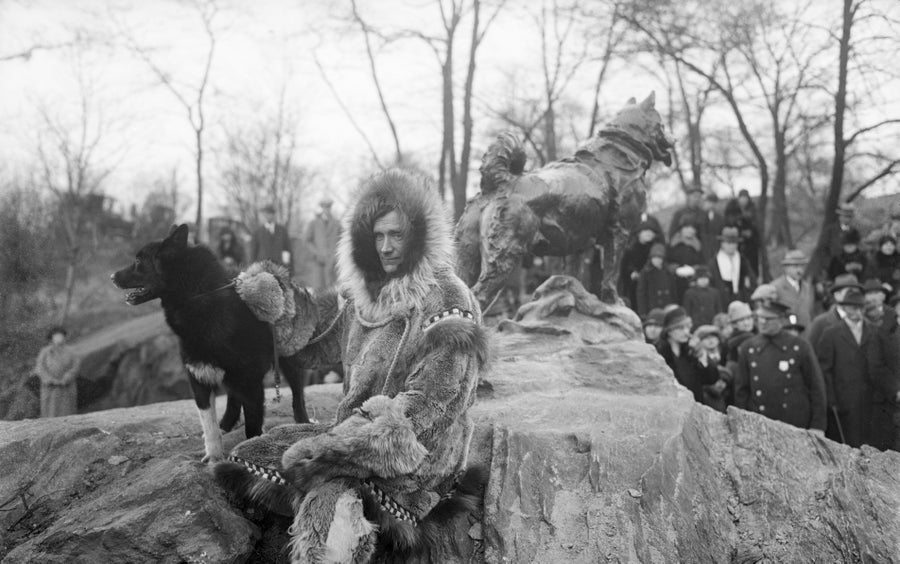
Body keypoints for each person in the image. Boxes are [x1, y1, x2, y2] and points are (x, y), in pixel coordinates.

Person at [215, 169, 489, 559]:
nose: (386, 247)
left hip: (416, 460)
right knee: (251, 455)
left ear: (419, 234)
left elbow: (433, 407)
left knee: (327, 506)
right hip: (351, 436)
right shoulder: (361, 295)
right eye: (378, 236)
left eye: (396, 234)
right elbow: (309, 344)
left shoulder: (447, 298)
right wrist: (273, 303)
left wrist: (337, 452)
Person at [733, 300, 826, 432]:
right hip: (760, 424)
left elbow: (816, 387)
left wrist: (818, 426)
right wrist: (742, 424)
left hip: (795, 423)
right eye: (760, 318)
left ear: (781, 320)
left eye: (768, 319)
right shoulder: (748, 348)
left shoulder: (799, 346)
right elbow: (741, 391)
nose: (763, 322)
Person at [815, 287, 888, 447]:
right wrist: (831, 399)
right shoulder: (831, 334)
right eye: (852, 306)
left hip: (871, 400)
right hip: (843, 401)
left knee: (871, 444)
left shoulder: (875, 332)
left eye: (860, 307)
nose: (856, 311)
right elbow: (824, 370)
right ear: (844, 308)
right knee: (847, 443)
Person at [656, 306, 720, 403]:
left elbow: (711, 379)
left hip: (696, 407)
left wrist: (702, 354)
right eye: (680, 328)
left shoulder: (691, 351)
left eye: (687, 327)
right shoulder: (659, 355)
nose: (686, 332)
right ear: (669, 331)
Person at [34, 326, 80, 418]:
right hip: (50, 389)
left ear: (64, 337)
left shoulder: (71, 351)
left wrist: (66, 378)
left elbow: (75, 366)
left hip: (66, 387)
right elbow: (39, 368)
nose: (59, 338)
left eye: (61, 336)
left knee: (67, 413)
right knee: (50, 413)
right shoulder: (45, 352)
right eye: (56, 336)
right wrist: (50, 380)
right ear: (51, 338)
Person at [707, 225, 756, 306]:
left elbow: (752, 280)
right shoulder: (714, 263)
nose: (731, 246)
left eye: (734, 243)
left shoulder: (743, 260)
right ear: (722, 243)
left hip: (741, 300)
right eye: (728, 243)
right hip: (722, 302)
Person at [618, 221, 659, 309]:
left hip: (652, 286)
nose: (649, 233)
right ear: (639, 233)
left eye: (651, 231)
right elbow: (624, 270)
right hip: (634, 288)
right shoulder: (630, 250)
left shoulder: (656, 249)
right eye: (646, 230)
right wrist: (632, 273)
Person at [771, 249, 815, 327]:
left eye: (802, 266)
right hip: (786, 334)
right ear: (785, 268)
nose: (799, 270)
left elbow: (810, 312)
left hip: (806, 334)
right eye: (795, 266)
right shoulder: (775, 287)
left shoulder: (807, 287)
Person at [305, 197, 341, 289]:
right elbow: (307, 240)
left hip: (332, 262)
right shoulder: (314, 223)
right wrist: (316, 252)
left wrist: (335, 255)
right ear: (322, 208)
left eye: (329, 207)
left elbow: (341, 241)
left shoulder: (337, 223)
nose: (327, 209)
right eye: (325, 207)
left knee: (332, 288)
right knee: (318, 287)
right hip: (318, 261)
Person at [724, 189, 761, 275]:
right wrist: (740, 232)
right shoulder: (732, 209)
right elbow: (729, 223)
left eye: (746, 198)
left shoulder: (752, 209)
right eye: (742, 197)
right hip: (736, 242)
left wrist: (751, 233)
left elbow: (755, 226)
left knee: (752, 265)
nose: (744, 200)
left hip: (751, 244)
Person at [667, 223, 705, 303]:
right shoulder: (672, 244)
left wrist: (693, 269)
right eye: (687, 227)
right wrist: (676, 269)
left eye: (693, 228)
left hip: (694, 283)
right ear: (681, 229)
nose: (690, 230)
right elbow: (667, 262)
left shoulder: (699, 246)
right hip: (675, 283)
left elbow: (703, 263)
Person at [636, 243, 676, 317]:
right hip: (652, 307)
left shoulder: (668, 272)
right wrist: (643, 312)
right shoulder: (645, 273)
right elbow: (641, 294)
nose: (656, 260)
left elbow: (673, 292)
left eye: (659, 258)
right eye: (654, 258)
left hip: (667, 306)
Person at [250, 203, 292, 272]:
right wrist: (252, 268)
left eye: (270, 213)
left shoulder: (282, 231)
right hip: (262, 269)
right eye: (266, 213)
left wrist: (288, 267)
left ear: (274, 215)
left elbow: (287, 249)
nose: (268, 216)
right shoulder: (257, 232)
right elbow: (253, 253)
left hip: (279, 268)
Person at [699, 192, 725, 257]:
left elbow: (721, 231)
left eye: (714, 203)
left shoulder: (719, 217)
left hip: (716, 247)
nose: (711, 205)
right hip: (702, 247)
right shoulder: (699, 215)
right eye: (709, 202)